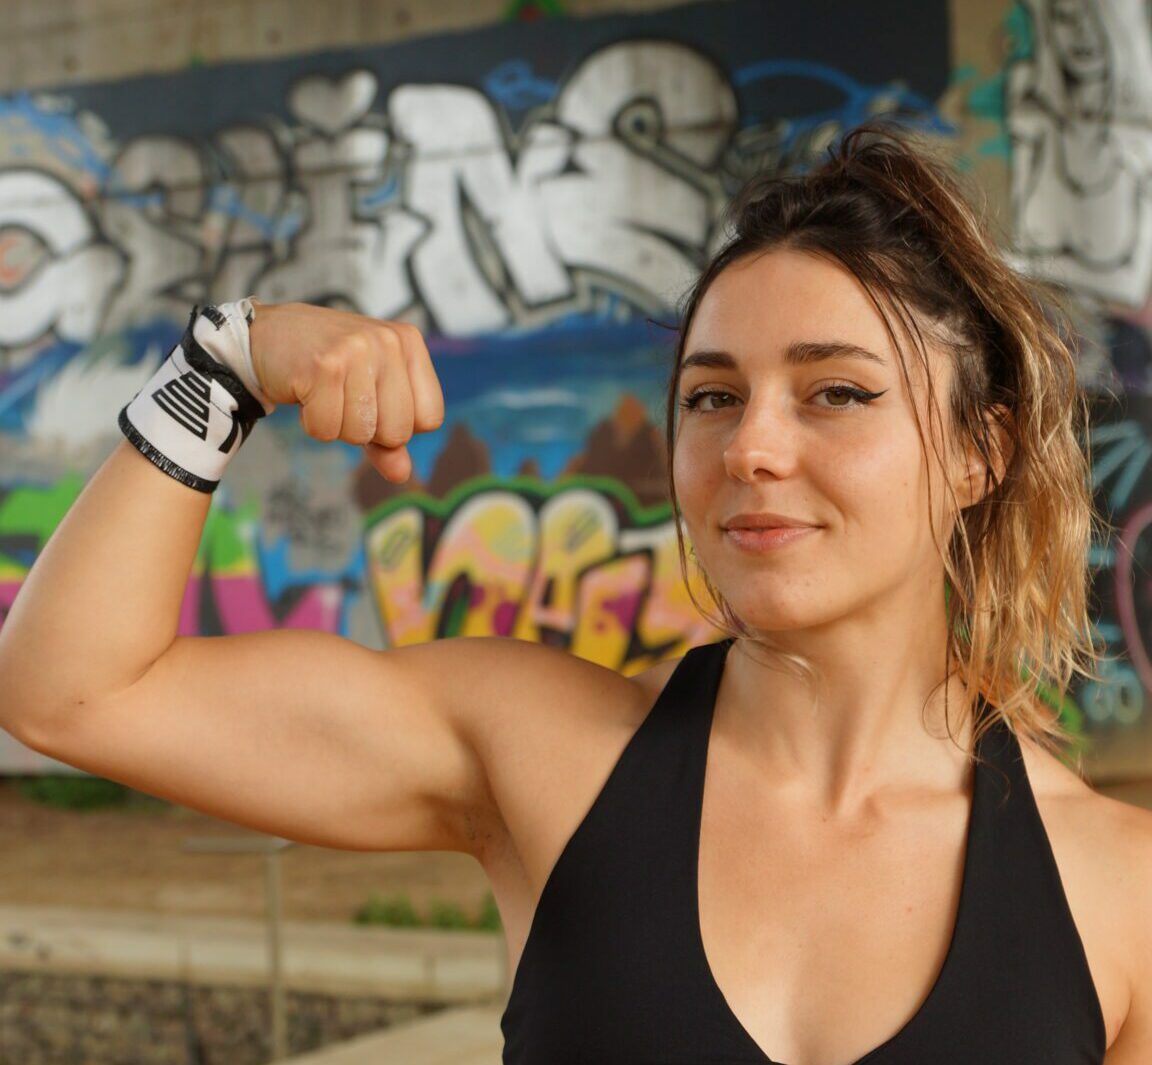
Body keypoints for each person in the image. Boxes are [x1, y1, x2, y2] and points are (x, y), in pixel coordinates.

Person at [0, 125, 1149, 1063]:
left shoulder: (1119, 890)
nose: (751, 446)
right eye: (710, 396)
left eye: (836, 393)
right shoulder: (545, 758)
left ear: (977, 453)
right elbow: (75, 692)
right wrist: (231, 365)